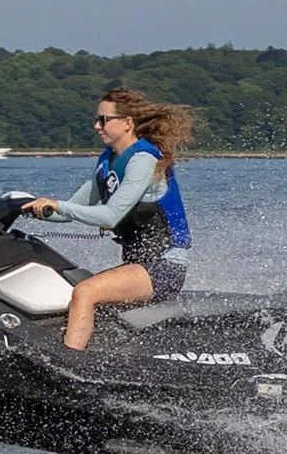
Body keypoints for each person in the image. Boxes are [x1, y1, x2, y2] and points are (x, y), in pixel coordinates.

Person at [17, 89, 194, 351]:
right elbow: (72, 210)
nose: (96, 126)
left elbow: (110, 215)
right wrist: (33, 208)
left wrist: (59, 205)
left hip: (164, 266)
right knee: (69, 291)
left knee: (85, 292)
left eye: (103, 120)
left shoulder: (143, 160)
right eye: (96, 119)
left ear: (127, 123)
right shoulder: (108, 163)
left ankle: (71, 364)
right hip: (139, 265)